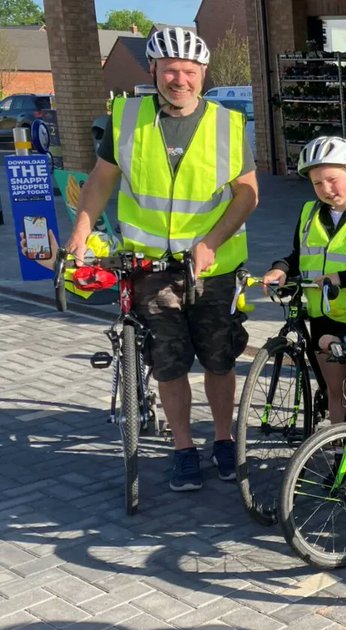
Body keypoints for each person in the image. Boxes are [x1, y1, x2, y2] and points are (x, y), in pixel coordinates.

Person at [63, 27, 258, 492]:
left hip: (213, 268)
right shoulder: (126, 117)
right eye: (170, 70)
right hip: (150, 268)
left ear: (203, 73)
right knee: (168, 364)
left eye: (189, 71)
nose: (180, 79)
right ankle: (184, 449)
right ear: (153, 69)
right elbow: (101, 179)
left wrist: (211, 242)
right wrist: (80, 232)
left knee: (219, 360)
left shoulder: (228, 124)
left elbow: (247, 194)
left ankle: (224, 439)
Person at [262, 137, 346, 425]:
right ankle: (337, 447)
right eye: (317, 183)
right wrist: (280, 269)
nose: (326, 189)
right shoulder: (309, 213)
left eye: (332, 180)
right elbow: (299, 256)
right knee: (335, 390)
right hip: (323, 316)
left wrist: (342, 278)